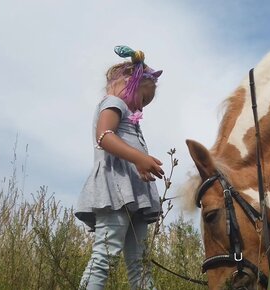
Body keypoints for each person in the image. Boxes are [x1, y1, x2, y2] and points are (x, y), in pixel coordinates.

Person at [75, 45, 164, 290]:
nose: (143, 107)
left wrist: (141, 163)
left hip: (133, 194)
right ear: (129, 82)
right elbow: (104, 136)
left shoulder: (126, 111)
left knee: (140, 262)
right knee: (105, 255)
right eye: (144, 99)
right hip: (115, 191)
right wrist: (139, 158)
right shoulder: (113, 102)